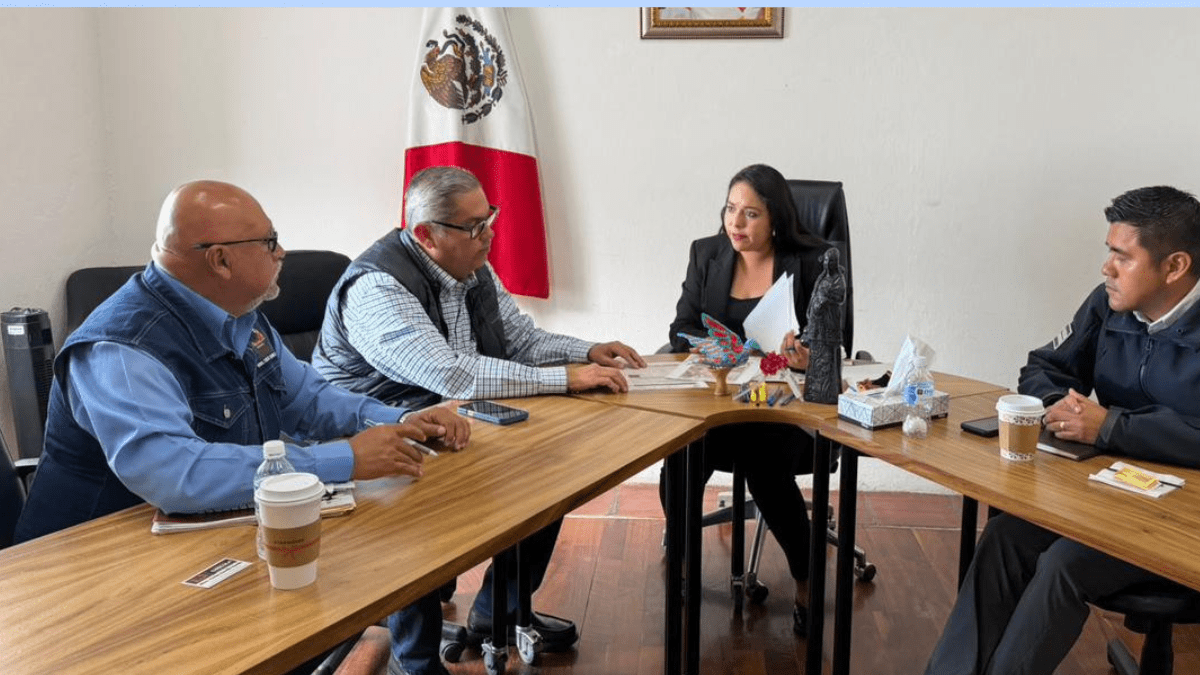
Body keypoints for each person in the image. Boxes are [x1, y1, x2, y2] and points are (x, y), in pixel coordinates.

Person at [313, 165, 645, 675]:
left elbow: (522, 340)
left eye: (489, 218)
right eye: (474, 227)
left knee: (551, 470)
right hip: (372, 438)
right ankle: (414, 661)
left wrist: (586, 351)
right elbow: (450, 372)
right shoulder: (377, 288)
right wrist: (566, 379)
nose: (489, 235)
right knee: (416, 504)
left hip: (447, 420)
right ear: (426, 235)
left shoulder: (472, 269)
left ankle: (498, 615)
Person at [14, 180, 468, 544]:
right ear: (221, 261)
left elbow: (307, 399)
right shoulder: (120, 349)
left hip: (201, 538)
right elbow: (179, 476)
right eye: (270, 242)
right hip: (88, 567)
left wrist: (401, 420)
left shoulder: (237, 314)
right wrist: (343, 459)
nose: (281, 252)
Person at [924, 185, 1200, 675]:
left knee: (1064, 564)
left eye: (1122, 256)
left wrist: (1110, 426)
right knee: (1005, 537)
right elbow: (1043, 367)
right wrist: (1059, 406)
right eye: (1108, 251)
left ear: (1175, 266)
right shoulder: (1108, 305)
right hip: (1111, 495)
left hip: (1183, 523)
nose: (1106, 268)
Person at [665, 163, 833, 636]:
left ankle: (806, 578)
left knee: (762, 462)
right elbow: (681, 329)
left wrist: (808, 357)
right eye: (730, 209)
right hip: (720, 405)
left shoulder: (813, 262)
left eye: (751, 214)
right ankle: (681, 562)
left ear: (775, 218)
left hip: (784, 412)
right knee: (679, 456)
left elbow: (833, 345)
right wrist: (715, 348)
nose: (735, 223)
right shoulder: (706, 254)